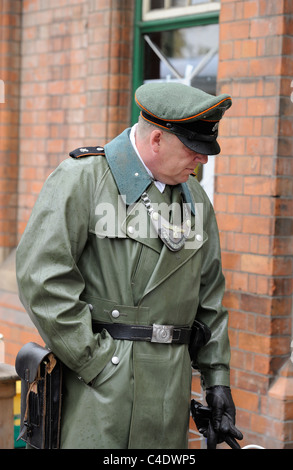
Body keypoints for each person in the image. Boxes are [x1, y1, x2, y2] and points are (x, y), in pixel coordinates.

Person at [16, 82, 242, 449]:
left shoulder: (195, 199)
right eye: (193, 149)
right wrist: (97, 364)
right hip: (101, 392)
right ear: (156, 140)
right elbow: (42, 280)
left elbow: (210, 297)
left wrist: (217, 381)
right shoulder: (84, 180)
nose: (203, 160)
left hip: (170, 393)